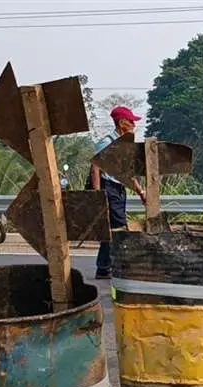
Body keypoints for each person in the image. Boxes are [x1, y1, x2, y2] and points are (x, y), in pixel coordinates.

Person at [89, 106, 147, 279]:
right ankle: (115, 265)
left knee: (113, 229)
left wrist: (140, 192)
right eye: (131, 122)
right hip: (108, 188)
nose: (133, 126)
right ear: (122, 123)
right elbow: (96, 168)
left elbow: (126, 174)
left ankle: (104, 267)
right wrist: (98, 195)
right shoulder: (107, 142)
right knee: (119, 227)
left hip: (119, 189)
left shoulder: (124, 145)